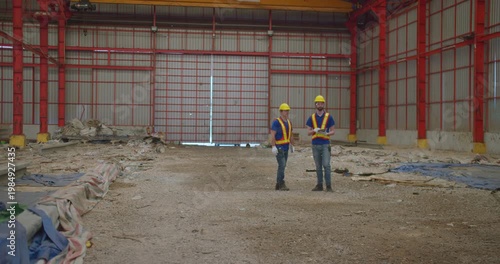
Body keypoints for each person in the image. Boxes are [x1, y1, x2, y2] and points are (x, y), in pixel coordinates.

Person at [306, 95, 335, 192]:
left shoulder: (329, 117)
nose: (320, 105)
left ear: (323, 104)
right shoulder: (312, 118)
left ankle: (329, 186)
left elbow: (333, 131)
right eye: (318, 103)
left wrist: (327, 133)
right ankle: (319, 185)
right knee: (318, 166)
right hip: (315, 144)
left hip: (325, 144)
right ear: (315, 104)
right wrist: (314, 130)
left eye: (321, 103)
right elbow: (308, 132)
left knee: (326, 165)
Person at [270, 103, 295, 191]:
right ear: (281, 112)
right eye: (285, 110)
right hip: (279, 147)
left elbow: (291, 135)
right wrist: (273, 146)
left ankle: (278, 183)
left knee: (282, 166)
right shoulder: (276, 122)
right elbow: (273, 135)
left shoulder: (289, 122)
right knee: (282, 165)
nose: (287, 112)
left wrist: (292, 144)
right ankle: (281, 183)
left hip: (286, 147)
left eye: (288, 110)